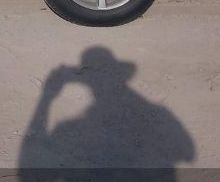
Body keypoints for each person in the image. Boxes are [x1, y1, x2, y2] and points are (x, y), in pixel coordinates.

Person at [19, 47, 194, 179]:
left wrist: (46, 98)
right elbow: (188, 152)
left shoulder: (70, 128)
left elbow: (28, 169)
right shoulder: (160, 114)